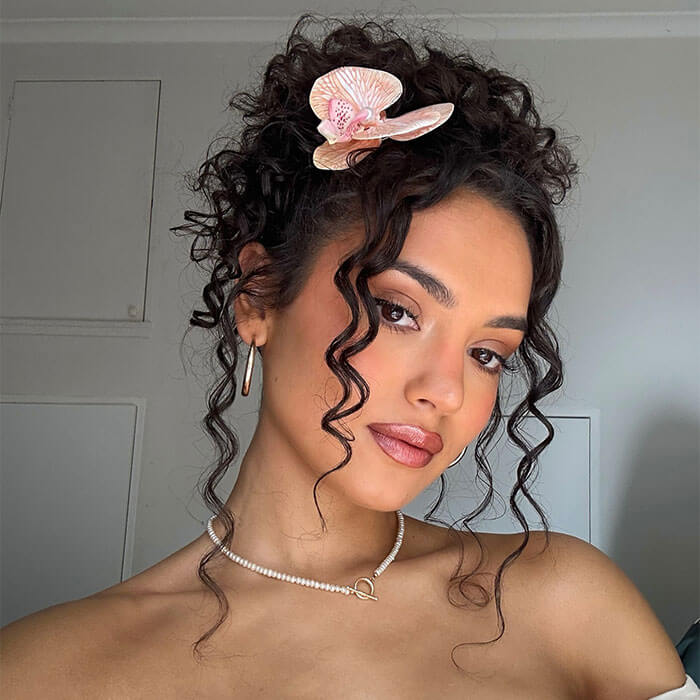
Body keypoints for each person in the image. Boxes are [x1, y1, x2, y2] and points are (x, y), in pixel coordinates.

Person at [1, 12, 697, 699]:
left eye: (487, 353)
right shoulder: (42, 671)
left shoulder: (566, 603)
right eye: (398, 311)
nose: (446, 391)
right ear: (258, 296)